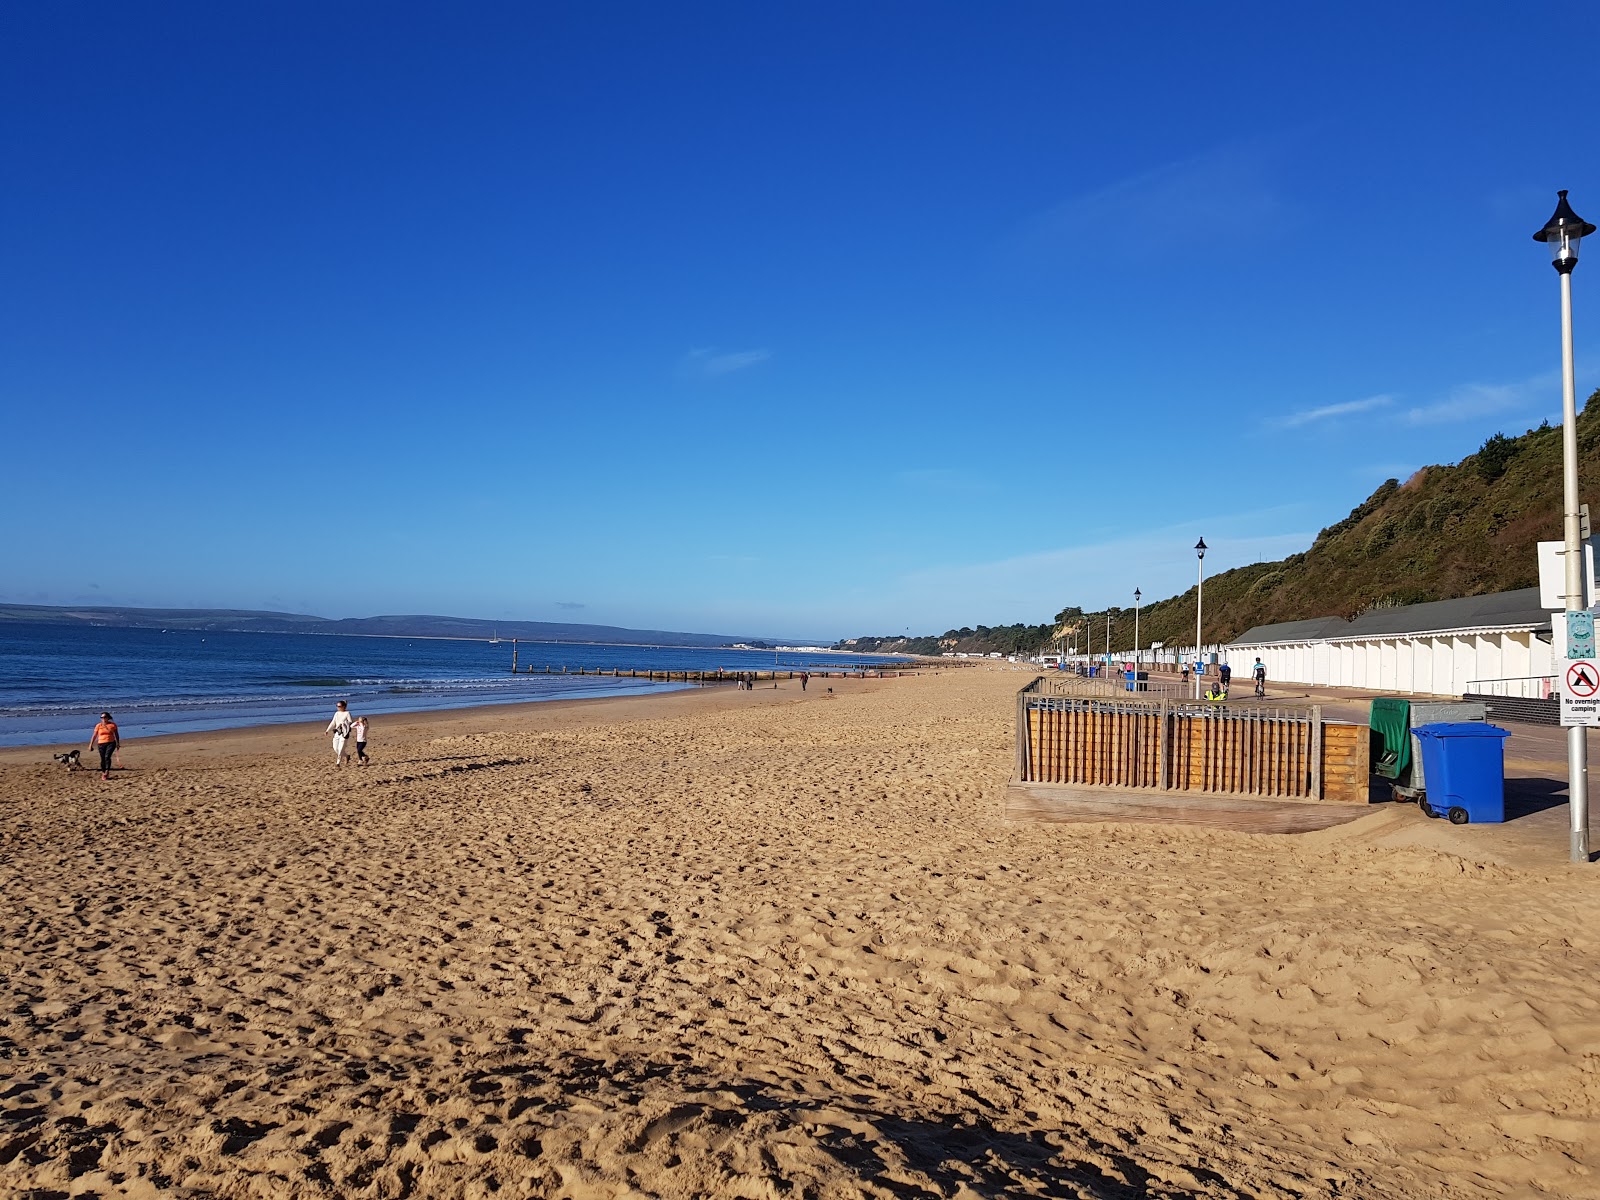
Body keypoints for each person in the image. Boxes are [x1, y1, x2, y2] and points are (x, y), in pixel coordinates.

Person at [88, 711, 119, 781]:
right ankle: (103, 772)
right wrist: (90, 744)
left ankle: (107, 772)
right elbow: (94, 735)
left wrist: (118, 743)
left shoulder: (113, 725)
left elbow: (116, 735)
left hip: (111, 743)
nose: (103, 719)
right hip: (101, 743)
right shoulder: (98, 725)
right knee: (103, 759)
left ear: (108, 718)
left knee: (107, 757)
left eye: (104, 717)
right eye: (102, 717)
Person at [326, 700, 354, 765]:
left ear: (343, 706)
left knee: (340, 749)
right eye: (337, 706)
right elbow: (333, 722)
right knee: (335, 748)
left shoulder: (347, 713)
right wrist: (327, 730)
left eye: (339, 706)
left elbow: (350, 722)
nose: (338, 707)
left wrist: (344, 723)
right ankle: (347, 756)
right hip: (337, 733)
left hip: (344, 733)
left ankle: (338, 763)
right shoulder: (336, 713)